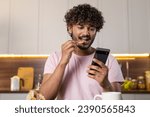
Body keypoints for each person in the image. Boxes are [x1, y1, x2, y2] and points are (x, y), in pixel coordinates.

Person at [40, 4, 124, 100]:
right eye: (80, 27)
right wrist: (62, 63)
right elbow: (44, 98)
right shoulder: (55, 57)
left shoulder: (109, 60)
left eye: (91, 29)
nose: (86, 33)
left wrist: (106, 85)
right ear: (70, 28)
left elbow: (117, 105)